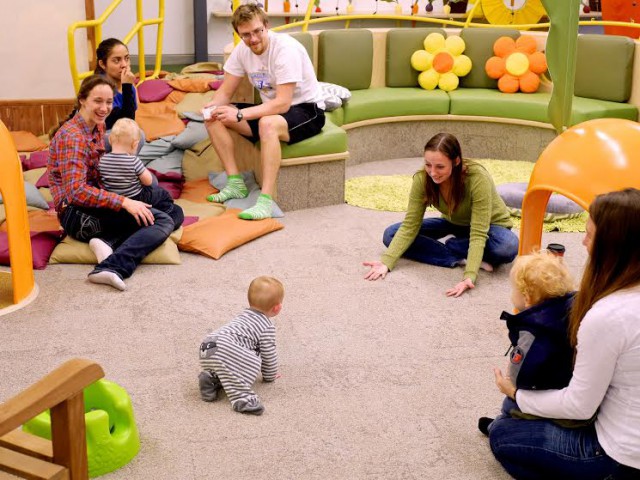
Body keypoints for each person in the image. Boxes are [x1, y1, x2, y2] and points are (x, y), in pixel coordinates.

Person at [490, 188, 640, 479]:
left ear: (613, 247)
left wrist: (516, 393)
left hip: (618, 456)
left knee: (502, 433)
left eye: (589, 235)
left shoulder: (609, 315)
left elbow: (579, 406)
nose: (582, 242)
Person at [48, 74, 184, 291]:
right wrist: (124, 202)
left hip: (95, 206)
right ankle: (112, 266)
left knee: (175, 212)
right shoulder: (73, 137)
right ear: (82, 100)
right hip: (77, 215)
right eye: (98, 101)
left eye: (109, 102)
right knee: (163, 221)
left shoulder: (97, 126)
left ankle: (107, 241)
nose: (104, 108)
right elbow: (76, 192)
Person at [202, 4, 326, 220]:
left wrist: (240, 115)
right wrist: (211, 107)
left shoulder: (285, 49)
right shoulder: (242, 50)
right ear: (239, 34)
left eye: (257, 31)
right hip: (272, 110)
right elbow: (225, 92)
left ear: (266, 26)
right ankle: (235, 183)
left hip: (306, 110)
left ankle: (265, 201)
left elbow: (283, 104)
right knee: (215, 116)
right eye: (246, 35)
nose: (253, 39)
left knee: (267, 124)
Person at [363, 133, 519, 297]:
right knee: (391, 234)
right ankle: (458, 257)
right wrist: (386, 262)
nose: (433, 172)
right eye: (428, 165)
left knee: (507, 247)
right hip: (453, 223)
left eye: (440, 167)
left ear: (456, 161)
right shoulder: (422, 179)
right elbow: (410, 225)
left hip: (491, 227)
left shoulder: (477, 177)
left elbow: (479, 232)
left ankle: (457, 246)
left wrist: (469, 275)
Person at [478, 250, 576, 436]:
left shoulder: (533, 330)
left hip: (545, 393)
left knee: (510, 404)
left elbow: (518, 375)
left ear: (527, 298)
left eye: (514, 289)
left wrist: (509, 383)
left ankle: (500, 425)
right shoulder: (566, 311)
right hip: (564, 385)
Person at [90, 117, 180, 263]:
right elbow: (149, 181)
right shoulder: (133, 161)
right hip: (137, 197)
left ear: (110, 140)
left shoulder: (102, 161)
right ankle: (163, 211)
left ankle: (114, 239)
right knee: (161, 194)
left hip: (114, 202)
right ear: (135, 144)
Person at [198, 276, 284, 416]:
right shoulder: (266, 326)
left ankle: (212, 379)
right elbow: (269, 353)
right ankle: (242, 398)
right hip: (226, 347)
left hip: (208, 344)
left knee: (228, 366)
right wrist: (270, 375)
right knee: (254, 359)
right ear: (277, 307)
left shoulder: (242, 316)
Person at [94, 38, 145, 152]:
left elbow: (130, 123)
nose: (124, 65)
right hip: (94, 136)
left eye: (126, 58)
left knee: (138, 135)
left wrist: (128, 86)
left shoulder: (129, 85)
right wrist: (127, 86)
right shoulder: (99, 86)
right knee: (136, 137)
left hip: (115, 135)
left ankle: (126, 161)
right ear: (102, 64)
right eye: (116, 60)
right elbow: (124, 125)